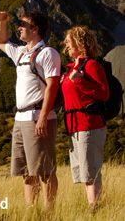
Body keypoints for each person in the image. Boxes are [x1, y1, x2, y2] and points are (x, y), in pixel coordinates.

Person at [0, 10, 61, 208]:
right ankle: (31, 211)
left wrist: (42, 117)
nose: (20, 27)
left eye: (24, 24)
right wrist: (2, 23)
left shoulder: (48, 53)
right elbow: (0, 42)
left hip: (38, 117)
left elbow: (53, 85)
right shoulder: (22, 52)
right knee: (26, 171)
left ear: (36, 29)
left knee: (44, 170)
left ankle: (49, 212)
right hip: (21, 118)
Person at [61, 26, 109, 208]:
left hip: (89, 124)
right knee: (83, 172)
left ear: (80, 43)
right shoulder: (72, 67)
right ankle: (93, 206)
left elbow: (104, 94)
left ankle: (94, 208)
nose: (66, 47)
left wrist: (80, 80)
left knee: (91, 171)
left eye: (68, 42)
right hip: (75, 126)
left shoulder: (92, 65)